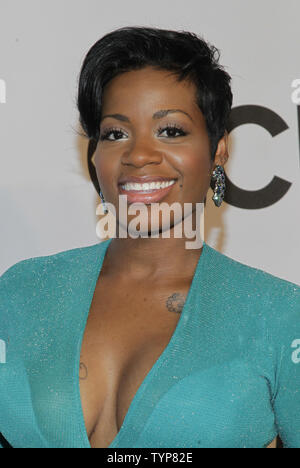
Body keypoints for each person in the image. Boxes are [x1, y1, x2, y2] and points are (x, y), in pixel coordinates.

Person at [0, 26, 300, 449]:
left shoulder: (280, 315)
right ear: (94, 154)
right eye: (115, 133)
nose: (139, 155)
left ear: (219, 149)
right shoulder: (20, 292)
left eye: (171, 131)